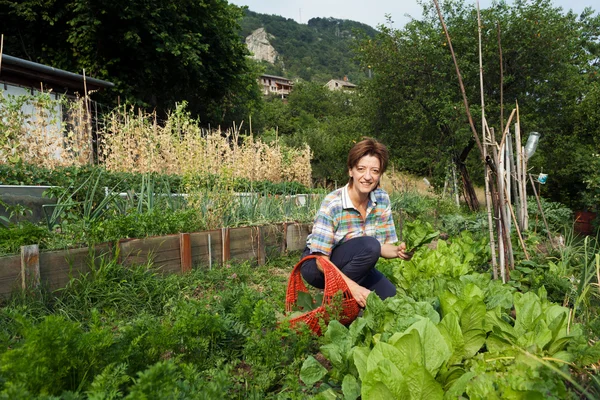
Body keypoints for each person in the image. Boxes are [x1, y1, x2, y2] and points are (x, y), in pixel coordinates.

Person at [300, 138, 412, 308]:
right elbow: (321, 261)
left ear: (380, 174)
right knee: (369, 246)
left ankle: (341, 298)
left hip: (354, 261)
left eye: (374, 171)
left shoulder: (381, 199)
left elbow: (382, 246)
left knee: (389, 297)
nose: (367, 177)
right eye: (361, 169)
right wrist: (354, 288)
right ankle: (334, 304)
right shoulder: (333, 203)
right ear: (351, 171)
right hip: (318, 263)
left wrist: (398, 251)